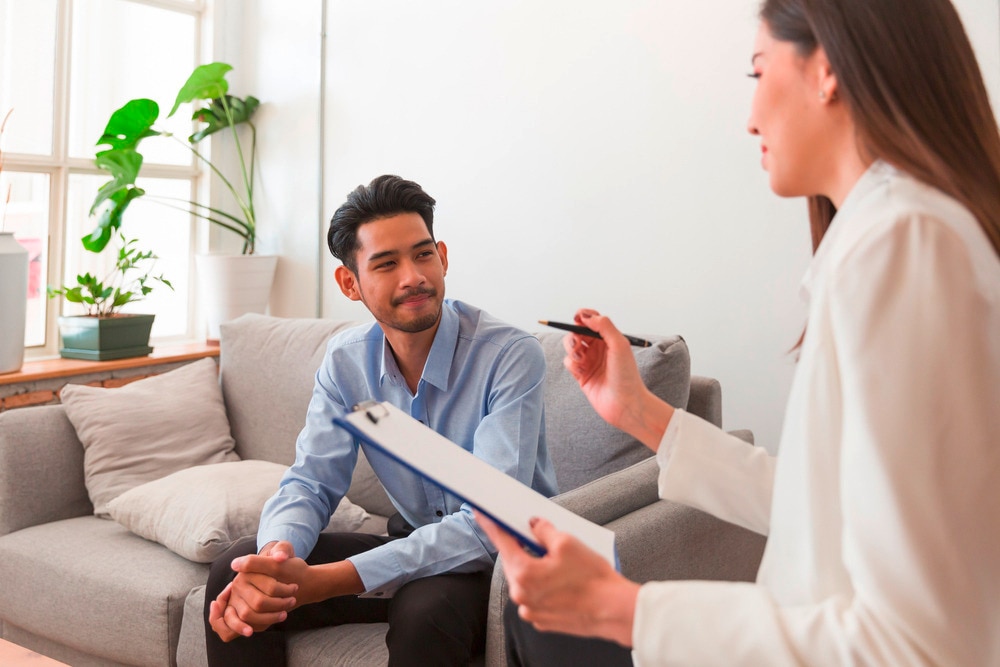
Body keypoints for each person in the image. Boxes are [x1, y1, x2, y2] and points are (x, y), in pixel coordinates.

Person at [476, 0, 1000, 664]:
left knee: (549, 629)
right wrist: (639, 413)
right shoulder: (902, 235)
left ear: (828, 68)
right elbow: (823, 504)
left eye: (758, 72)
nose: (750, 117)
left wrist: (623, 608)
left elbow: (914, 640)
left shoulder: (902, 243)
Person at [204, 174, 558, 666]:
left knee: (427, 610)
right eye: (387, 264)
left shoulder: (508, 356)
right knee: (234, 573)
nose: (412, 276)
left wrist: (332, 578)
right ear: (350, 283)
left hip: (505, 563)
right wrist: (277, 559)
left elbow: (491, 523)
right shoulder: (347, 364)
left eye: (423, 254)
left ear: (444, 257)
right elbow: (311, 481)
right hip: (417, 543)